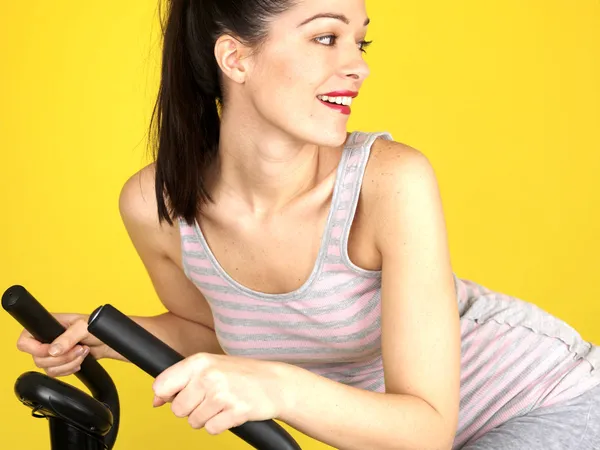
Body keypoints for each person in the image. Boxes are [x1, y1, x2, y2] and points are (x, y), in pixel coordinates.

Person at [15, 0, 599, 448]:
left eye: (360, 42)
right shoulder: (157, 206)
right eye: (326, 37)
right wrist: (111, 336)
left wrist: (275, 387)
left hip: (546, 402)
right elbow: (225, 335)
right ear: (235, 57)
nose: (360, 66)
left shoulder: (389, 182)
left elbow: (423, 433)